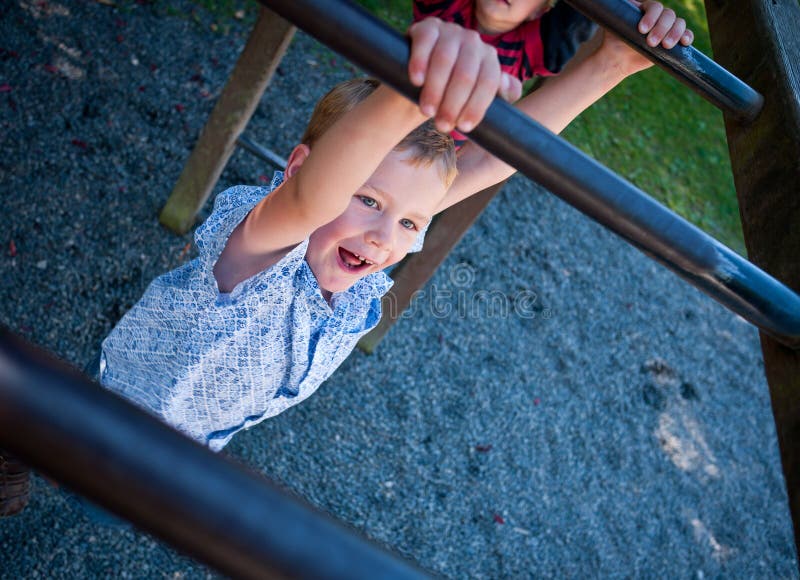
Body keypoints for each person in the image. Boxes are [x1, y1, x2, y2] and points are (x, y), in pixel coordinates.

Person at [96, 24, 520, 452]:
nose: (384, 238)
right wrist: (424, 87)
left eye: (411, 223)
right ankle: (24, 439)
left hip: (198, 439)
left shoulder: (362, 267)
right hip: (115, 417)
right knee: (73, 471)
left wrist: (593, 73)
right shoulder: (263, 250)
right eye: (369, 201)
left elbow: (485, 164)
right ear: (299, 169)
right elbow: (311, 199)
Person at [408, 0, 695, 210]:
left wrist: (628, 22)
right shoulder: (446, 7)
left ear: (539, 11)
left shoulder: (528, 48)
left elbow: (576, 21)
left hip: (427, 166)